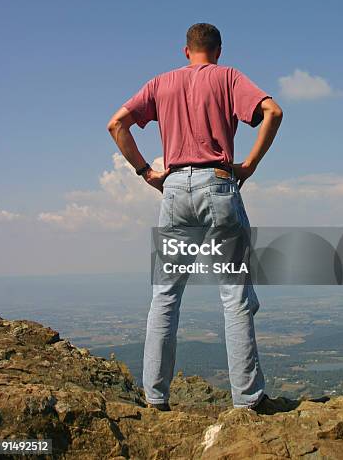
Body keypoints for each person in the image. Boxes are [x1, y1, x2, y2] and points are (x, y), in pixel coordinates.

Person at [107, 23, 283, 411]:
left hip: (173, 192)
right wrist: (249, 165)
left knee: (165, 296)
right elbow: (272, 111)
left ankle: (155, 399)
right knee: (235, 296)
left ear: (186, 51)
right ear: (218, 51)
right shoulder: (228, 77)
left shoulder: (160, 84)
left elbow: (115, 124)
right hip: (218, 185)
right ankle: (248, 401)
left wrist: (146, 173)